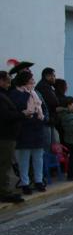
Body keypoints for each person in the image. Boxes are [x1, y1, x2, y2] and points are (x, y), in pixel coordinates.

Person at [8, 71, 47, 194]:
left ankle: (38, 181)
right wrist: (27, 93)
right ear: (24, 80)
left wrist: (43, 117)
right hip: (24, 130)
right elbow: (19, 107)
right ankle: (25, 183)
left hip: (37, 129)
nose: (33, 82)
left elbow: (42, 107)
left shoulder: (34, 93)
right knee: (24, 160)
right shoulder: (16, 93)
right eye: (31, 80)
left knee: (38, 158)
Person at [0, 71, 26, 203]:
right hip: (5, 136)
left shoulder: (5, 95)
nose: (9, 84)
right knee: (4, 164)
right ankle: (4, 192)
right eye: (7, 81)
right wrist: (22, 114)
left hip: (8, 135)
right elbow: (5, 116)